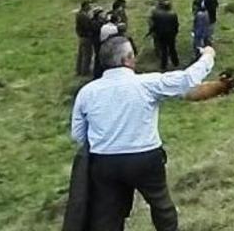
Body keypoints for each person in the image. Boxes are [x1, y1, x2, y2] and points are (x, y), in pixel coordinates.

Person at [70, 37, 216, 231]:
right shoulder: (147, 83)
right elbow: (187, 80)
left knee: (108, 215)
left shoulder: (86, 92)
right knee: (161, 205)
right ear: (128, 59)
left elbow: (78, 134)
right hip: (145, 158)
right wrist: (208, 56)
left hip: (104, 161)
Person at [148, 0, 180, 72]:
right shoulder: (173, 14)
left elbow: (155, 25)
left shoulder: (157, 14)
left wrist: (154, 32)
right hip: (171, 35)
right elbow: (176, 25)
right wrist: (175, 33)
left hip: (161, 35)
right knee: (172, 49)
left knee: (164, 50)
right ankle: (176, 63)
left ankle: (163, 65)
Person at [75, 1, 94, 76]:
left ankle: (79, 70)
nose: (90, 7)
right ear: (85, 6)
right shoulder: (83, 16)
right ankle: (85, 71)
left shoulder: (79, 14)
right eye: (89, 6)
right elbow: (88, 26)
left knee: (81, 55)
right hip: (86, 37)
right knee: (87, 55)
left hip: (82, 37)